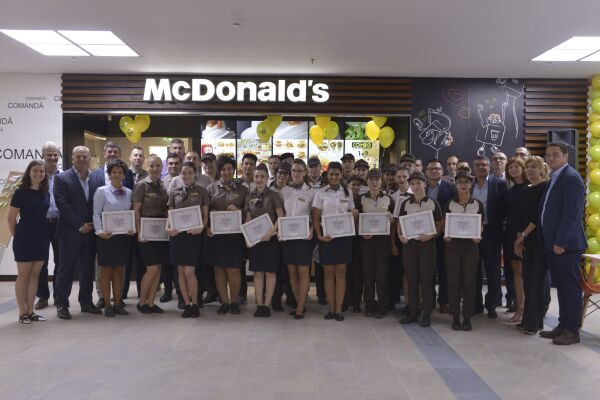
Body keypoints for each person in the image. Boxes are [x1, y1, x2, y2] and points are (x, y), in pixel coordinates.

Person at [538, 142, 586, 345]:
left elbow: (572, 214)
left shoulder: (571, 178)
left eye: (556, 155)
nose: (551, 158)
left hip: (566, 245)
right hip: (553, 244)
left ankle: (572, 331)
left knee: (570, 288)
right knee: (562, 288)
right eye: (548, 155)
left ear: (566, 156)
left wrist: (561, 241)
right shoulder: (555, 177)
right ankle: (563, 325)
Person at [54, 146, 103, 320]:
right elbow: (62, 204)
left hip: (91, 231)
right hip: (70, 233)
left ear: (89, 158)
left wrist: (94, 224)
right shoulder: (62, 178)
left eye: (85, 156)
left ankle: (86, 302)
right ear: (72, 158)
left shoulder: (97, 177)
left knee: (87, 270)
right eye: (78, 156)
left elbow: (98, 202)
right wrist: (79, 225)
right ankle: (62, 304)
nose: (81, 159)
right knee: (66, 270)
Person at [91, 141, 134, 308]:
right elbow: (96, 213)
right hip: (106, 238)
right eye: (114, 172)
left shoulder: (129, 193)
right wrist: (99, 231)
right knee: (106, 273)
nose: (116, 174)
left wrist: (131, 228)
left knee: (119, 272)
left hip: (122, 237)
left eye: (119, 172)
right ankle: (107, 305)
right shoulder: (101, 191)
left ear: (124, 175)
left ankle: (117, 303)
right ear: (109, 174)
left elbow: (130, 213)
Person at [312, 161, 357, 321]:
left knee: (341, 274)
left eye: (337, 174)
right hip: (327, 238)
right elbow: (316, 218)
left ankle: (339, 310)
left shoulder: (348, 192)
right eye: (331, 174)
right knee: (328, 274)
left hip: (344, 239)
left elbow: (351, 213)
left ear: (341, 175)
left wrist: (354, 214)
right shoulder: (321, 193)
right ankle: (331, 309)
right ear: (327, 175)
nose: (334, 177)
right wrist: (319, 236)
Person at [398, 172, 443, 327]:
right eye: (413, 183)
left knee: (426, 281)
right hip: (410, 246)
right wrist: (400, 236)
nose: (416, 186)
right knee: (411, 281)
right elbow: (400, 223)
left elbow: (439, 225)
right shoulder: (406, 203)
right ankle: (413, 313)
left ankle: (427, 314)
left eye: (418, 183)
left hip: (426, 246)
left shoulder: (433, 203)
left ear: (425, 184)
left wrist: (430, 236)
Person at [205, 156, 249, 315]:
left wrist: (239, 211)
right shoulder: (210, 189)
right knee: (219, 270)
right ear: (219, 171)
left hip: (235, 236)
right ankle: (224, 302)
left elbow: (248, 212)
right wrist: (207, 227)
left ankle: (234, 301)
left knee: (234, 269)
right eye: (223, 169)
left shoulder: (242, 189)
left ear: (234, 170)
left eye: (229, 168)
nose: (226, 172)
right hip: (216, 236)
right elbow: (205, 212)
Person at [8, 160, 50, 323]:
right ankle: (22, 312)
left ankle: (31, 311)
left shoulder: (45, 192)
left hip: (42, 237)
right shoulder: (20, 193)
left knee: (35, 275)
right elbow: (11, 218)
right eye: (35, 171)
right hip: (24, 238)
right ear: (29, 173)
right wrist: (18, 237)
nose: (39, 174)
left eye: (42, 171)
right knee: (24, 276)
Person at [166, 161, 209, 318]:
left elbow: (205, 215)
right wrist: (167, 228)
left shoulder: (202, 191)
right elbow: (170, 213)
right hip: (178, 236)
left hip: (194, 235)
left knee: (189, 271)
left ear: (195, 174)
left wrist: (201, 228)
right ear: (180, 174)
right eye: (183, 173)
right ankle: (187, 304)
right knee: (180, 272)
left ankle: (195, 303)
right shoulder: (174, 192)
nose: (187, 176)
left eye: (190, 173)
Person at [443, 172, 484, 331]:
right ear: (456, 184)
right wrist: (446, 234)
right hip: (452, 246)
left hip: (471, 247)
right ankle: (455, 317)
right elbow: (446, 224)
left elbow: (480, 224)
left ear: (471, 184)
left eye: (466, 182)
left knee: (469, 283)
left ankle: (467, 317)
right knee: (453, 283)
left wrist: (478, 235)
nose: (463, 184)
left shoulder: (477, 204)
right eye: (460, 181)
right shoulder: (449, 203)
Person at [514, 156, 549, 335]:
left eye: (533, 167)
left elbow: (538, 216)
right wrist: (519, 238)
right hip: (526, 239)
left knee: (536, 282)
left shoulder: (546, 187)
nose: (529, 170)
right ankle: (529, 319)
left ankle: (533, 324)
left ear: (541, 168)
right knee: (528, 281)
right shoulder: (525, 189)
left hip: (539, 240)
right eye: (527, 167)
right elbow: (520, 216)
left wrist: (524, 235)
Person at [244, 164, 284, 317]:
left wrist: (270, 232)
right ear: (253, 178)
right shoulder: (249, 196)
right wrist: (248, 236)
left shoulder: (274, 195)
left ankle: (267, 305)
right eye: (256, 176)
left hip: (271, 239)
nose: (259, 179)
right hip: (256, 241)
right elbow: (248, 218)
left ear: (267, 178)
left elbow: (281, 217)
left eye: (262, 176)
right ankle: (259, 304)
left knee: (270, 273)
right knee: (258, 273)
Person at [471, 155, 508, 318]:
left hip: (492, 232)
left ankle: (491, 305)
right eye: (477, 165)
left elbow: (506, 207)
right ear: (473, 167)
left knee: (493, 271)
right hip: (472, 233)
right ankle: (476, 304)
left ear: (489, 167)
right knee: (474, 270)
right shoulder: (469, 185)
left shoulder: (499, 184)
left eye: (484, 165)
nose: (480, 168)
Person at [133, 155, 169, 314]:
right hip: (146, 232)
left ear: (162, 167)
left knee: (158, 269)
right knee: (152, 269)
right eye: (152, 166)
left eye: (158, 166)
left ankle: (151, 302)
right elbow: (136, 211)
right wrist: (139, 232)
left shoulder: (163, 186)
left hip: (161, 232)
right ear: (147, 167)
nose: (155, 169)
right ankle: (142, 303)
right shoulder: (141, 185)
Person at [357, 169, 395, 318]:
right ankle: (369, 305)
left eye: (377, 179)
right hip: (366, 241)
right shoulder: (360, 199)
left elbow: (394, 221)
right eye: (371, 179)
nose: (374, 182)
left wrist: (392, 220)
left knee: (381, 275)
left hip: (383, 241)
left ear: (381, 181)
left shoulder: (388, 199)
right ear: (367, 181)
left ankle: (382, 306)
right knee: (368, 275)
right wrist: (361, 232)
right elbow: (355, 220)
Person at [280, 159, 315, 319]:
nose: (296, 174)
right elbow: (281, 214)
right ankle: (298, 303)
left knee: (303, 271)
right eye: (294, 170)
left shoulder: (311, 192)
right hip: (288, 236)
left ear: (305, 172)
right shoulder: (284, 191)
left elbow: (314, 216)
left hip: (304, 236)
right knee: (292, 271)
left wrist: (312, 230)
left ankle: (300, 307)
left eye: (299, 171)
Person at [425, 159, 456, 314]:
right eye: (431, 169)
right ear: (426, 172)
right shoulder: (420, 187)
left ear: (442, 172)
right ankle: (429, 300)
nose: (434, 171)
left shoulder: (450, 188)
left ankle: (444, 301)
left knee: (444, 269)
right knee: (427, 270)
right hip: (425, 234)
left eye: (437, 169)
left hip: (444, 235)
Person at [34, 142, 61, 310]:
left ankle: (59, 295)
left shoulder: (64, 176)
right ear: (42, 155)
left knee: (60, 261)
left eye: (55, 154)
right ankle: (43, 296)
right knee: (41, 262)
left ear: (59, 156)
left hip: (60, 224)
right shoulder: (36, 176)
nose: (52, 157)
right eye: (49, 154)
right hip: (41, 224)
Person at [503, 157, 528, 321]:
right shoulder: (511, 190)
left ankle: (530, 309)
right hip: (511, 234)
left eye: (517, 166)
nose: (513, 169)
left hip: (527, 234)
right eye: (510, 167)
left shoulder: (530, 187)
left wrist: (522, 235)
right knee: (516, 272)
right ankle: (520, 308)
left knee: (528, 273)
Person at [160, 152, 182, 305]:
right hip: (164, 226)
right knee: (166, 262)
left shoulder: (185, 179)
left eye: (176, 163)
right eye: (170, 163)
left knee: (178, 263)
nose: (173, 166)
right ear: (166, 165)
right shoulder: (160, 183)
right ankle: (167, 291)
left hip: (181, 227)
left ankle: (181, 293)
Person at [236, 153, 257, 304]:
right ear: (242, 166)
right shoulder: (235, 184)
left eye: (251, 164)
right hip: (239, 229)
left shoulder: (261, 182)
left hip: (257, 228)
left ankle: (260, 295)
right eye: (246, 164)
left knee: (259, 262)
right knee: (240, 262)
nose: (248, 167)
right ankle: (241, 294)